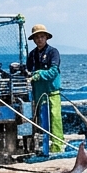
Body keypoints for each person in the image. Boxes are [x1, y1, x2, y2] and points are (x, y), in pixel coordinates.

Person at [26, 24, 64, 155]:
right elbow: (28, 71)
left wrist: (39, 74)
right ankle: (43, 147)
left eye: (42, 37)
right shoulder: (32, 55)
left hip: (52, 92)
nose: (39, 39)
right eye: (37, 37)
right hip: (39, 94)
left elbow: (53, 72)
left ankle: (58, 146)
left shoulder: (53, 52)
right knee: (41, 120)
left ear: (46, 37)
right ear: (34, 40)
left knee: (55, 119)